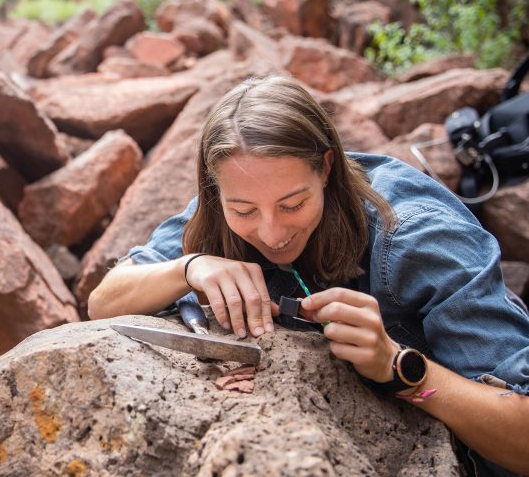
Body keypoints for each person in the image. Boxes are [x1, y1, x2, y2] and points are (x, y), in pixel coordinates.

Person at [88, 74, 529, 476]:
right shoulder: (229, 203)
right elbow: (103, 302)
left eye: (292, 204)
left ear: (327, 167)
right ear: (214, 188)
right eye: (243, 210)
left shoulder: (416, 234)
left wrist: (399, 369)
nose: (271, 232)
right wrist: (188, 268)